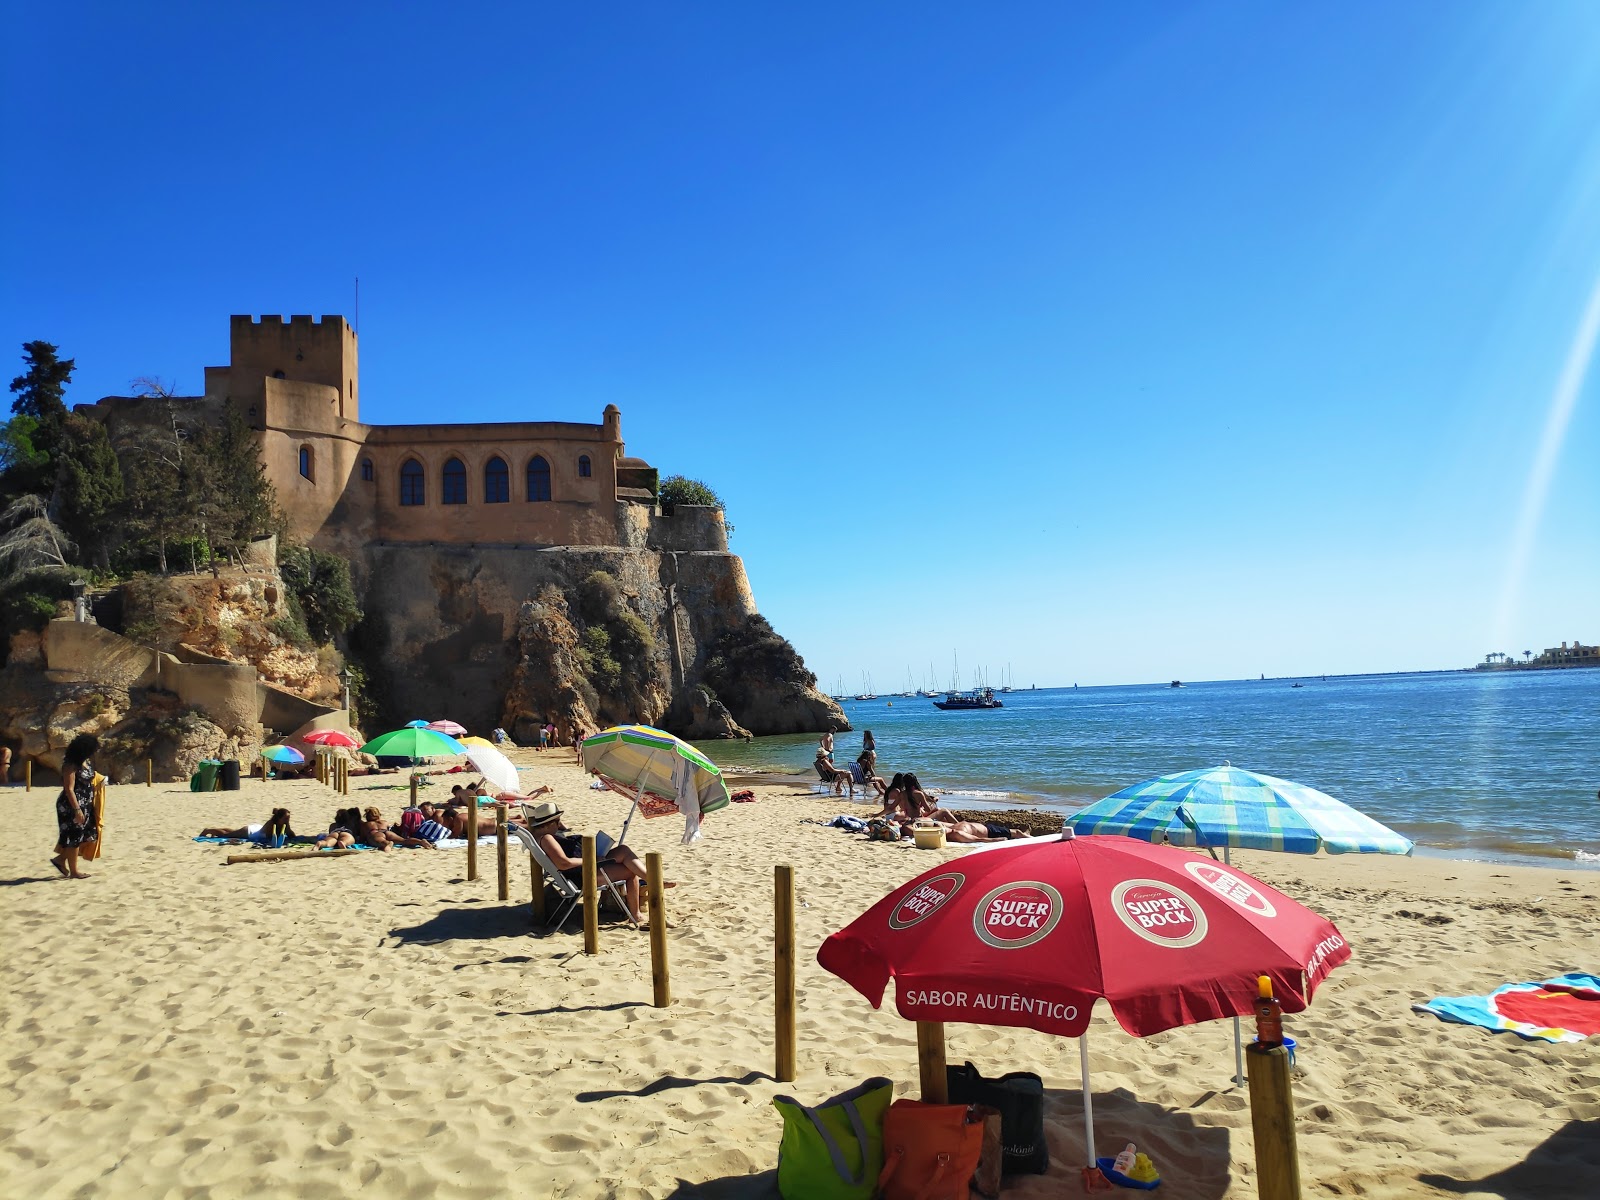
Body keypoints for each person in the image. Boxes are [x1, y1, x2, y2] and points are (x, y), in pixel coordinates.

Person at [524, 800, 670, 924]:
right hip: (583, 873)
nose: (560, 824)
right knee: (631, 872)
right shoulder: (547, 838)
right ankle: (636, 913)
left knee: (623, 850)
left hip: (584, 866)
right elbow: (564, 863)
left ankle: (652, 880)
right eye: (557, 821)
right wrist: (591, 859)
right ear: (549, 823)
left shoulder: (540, 836)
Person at [51, 734, 101, 879]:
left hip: (85, 804)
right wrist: (77, 810)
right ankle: (74, 871)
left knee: (88, 835)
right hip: (71, 805)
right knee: (75, 837)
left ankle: (60, 860)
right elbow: (69, 789)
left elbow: (90, 778)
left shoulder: (85, 762)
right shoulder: (70, 765)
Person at [199, 807, 298, 842]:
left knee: (233, 831)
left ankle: (213, 829)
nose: (288, 819)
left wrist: (288, 831)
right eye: (285, 818)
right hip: (250, 832)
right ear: (279, 818)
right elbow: (270, 838)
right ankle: (207, 830)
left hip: (256, 829)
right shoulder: (271, 824)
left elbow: (290, 834)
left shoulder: (284, 823)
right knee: (226, 835)